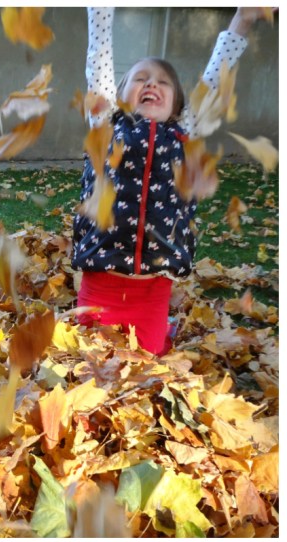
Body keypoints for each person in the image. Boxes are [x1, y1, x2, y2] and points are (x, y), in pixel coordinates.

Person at [71, 7, 269, 354]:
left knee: (149, 366)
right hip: (100, 285)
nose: (151, 84)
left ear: (177, 104)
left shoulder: (184, 133)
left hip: (153, 292)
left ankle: (162, 329)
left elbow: (215, 74)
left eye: (163, 82)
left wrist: (244, 19)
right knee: (90, 370)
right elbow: (98, 56)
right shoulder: (106, 126)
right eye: (140, 78)